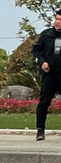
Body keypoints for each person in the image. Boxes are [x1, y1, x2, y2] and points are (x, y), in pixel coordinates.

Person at [32, 9, 61, 141]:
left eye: (60, 20)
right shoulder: (46, 35)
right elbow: (36, 50)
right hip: (49, 75)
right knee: (44, 102)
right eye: (56, 19)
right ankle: (40, 130)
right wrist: (42, 62)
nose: (57, 22)